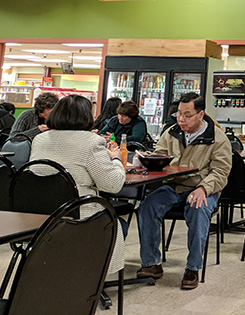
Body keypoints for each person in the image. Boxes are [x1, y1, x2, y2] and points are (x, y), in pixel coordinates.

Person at [135, 93, 231, 290]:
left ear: (201, 114)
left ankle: (193, 268)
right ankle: (151, 263)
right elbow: (160, 156)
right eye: (179, 114)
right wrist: (147, 160)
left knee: (198, 209)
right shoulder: (171, 133)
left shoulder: (217, 138)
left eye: (187, 115)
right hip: (174, 186)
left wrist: (203, 188)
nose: (181, 119)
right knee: (148, 205)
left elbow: (221, 172)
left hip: (203, 187)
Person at [30, 94, 126, 275]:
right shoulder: (90, 142)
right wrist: (116, 160)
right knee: (117, 223)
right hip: (79, 213)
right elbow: (113, 185)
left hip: (42, 214)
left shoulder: (39, 140)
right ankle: (94, 276)